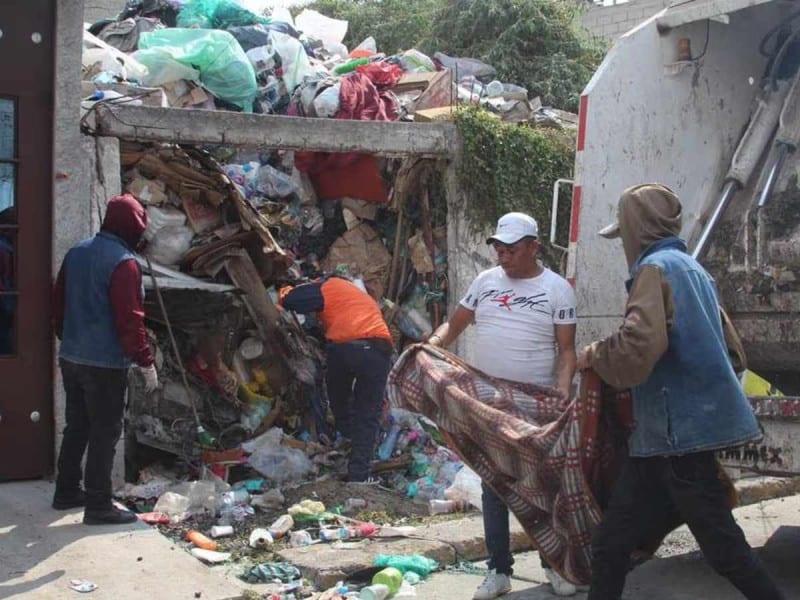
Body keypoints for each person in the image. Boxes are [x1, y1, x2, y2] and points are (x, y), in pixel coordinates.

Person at [576, 184, 786, 600]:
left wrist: (594, 356)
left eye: (625, 233)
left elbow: (638, 347)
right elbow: (733, 353)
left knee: (725, 551)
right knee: (611, 544)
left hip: (676, 441)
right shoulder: (692, 269)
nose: (624, 244)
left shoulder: (654, 270)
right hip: (662, 440)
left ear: (638, 228)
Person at [428, 212, 579, 599]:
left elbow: (566, 351)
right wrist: (432, 346)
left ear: (534, 247)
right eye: (499, 249)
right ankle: (498, 571)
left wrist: (562, 392)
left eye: (512, 250)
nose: (503, 257)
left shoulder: (557, 289)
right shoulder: (485, 282)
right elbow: (454, 325)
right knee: (493, 485)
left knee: (541, 486)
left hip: (535, 403)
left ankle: (553, 566)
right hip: (490, 402)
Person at [52, 194, 158, 525]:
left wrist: (67, 338)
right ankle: (98, 505)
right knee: (105, 431)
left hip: (72, 356)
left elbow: (58, 303)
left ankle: (67, 490)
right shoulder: (124, 264)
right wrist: (145, 360)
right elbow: (130, 320)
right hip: (105, 364)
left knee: (78, 426)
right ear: (133, 227)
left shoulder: (77, 252)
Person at [279, 275, 393, 483]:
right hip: (379, 350)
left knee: (338, 396)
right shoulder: (356, 295)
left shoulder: (329, 286)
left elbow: (293, 300)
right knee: (367, 413)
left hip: (346, 347)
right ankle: (359, 475)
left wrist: (284, 290)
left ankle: (347, 435)